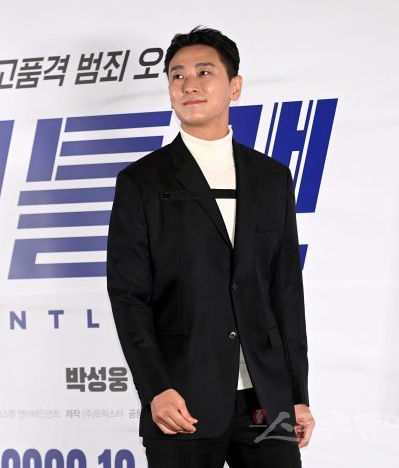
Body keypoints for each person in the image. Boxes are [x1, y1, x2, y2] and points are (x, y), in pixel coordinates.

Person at [106, 26, 315, 467]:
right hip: (181, 399)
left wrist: (297, 394)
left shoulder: (272, 179)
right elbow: (129, 297)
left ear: (234, 86)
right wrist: (155, 389)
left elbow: (285, 293)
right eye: (177, 75)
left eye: (204, 72)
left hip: (267, 399)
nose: (189, 85)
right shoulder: (142, 182)